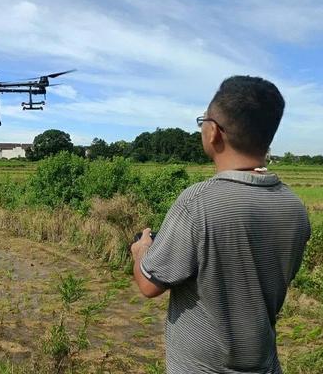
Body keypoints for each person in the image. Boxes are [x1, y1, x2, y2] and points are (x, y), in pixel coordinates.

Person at [131, 76, 310, 373]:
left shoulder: (198, 201)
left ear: (214, 132)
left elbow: (149, 285)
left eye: (203, 120)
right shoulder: (293, 206)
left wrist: (142, 250)